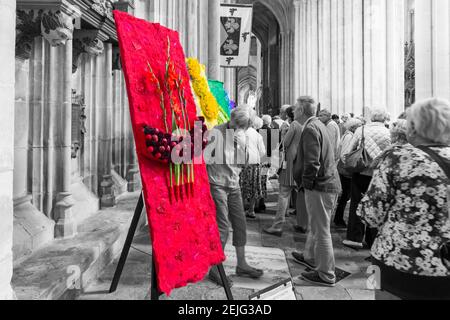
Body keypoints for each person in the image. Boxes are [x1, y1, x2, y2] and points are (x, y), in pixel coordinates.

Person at [358, 98, 450, 300]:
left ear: (414, 128)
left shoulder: (400, 157)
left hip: (394, 260)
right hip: (444, 266)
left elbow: (370, 214)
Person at [206, 107, 264, 286]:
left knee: (240, 224)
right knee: (222, 226)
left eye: (243, 126)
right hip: (217, 183)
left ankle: (242, 264)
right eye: (237, 124)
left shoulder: (244, 134)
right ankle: (215, 268)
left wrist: (242, 145)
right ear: (231, 119)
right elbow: (206, 159)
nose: (239, 128)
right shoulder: (216, 131)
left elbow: (246, 163)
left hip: (233, 184)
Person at [291, 96, 342, 287]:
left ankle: (326, 274)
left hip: (320, 186)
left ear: (302, 111)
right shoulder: (319, 125)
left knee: (322, 231)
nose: (294, 112)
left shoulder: (311, 129)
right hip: (327, 184)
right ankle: (310, 257)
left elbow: (312, 162)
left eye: (296, 108)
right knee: (317, 226)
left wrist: (306, 184)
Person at [342, 109, 391, 250]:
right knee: (375, 205)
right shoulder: (388, 133)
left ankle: (354, 238)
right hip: (377, 174)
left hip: (360, 171)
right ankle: (372, 240)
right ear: (385, 118)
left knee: (356, 204)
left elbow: (348, 151)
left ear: (372, 117)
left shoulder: (361, 129)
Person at [263, 105, 303, 236]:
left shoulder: (294, 125)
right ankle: (302, 223)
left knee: (283, 194)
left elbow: (285, 143)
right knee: (298, 194)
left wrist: (284, 133)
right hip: (298, 161)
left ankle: (277, 225)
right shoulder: (304, 124)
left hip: (290, 162)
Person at [333, 118, 363, 228]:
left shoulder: (348, 135)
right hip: (346, 171)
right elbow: (344, 154)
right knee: (345, 196)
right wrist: (349, 166)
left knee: (345, 195)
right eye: (359, 125)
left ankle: (338, 218)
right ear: (354, 127)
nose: (361, 127)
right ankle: (338, 219)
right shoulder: (349, 136)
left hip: (345, 170)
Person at [240, 116, 267, 219]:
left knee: (242, 185)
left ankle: (241, 209)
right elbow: (262, 152)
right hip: (255, 163)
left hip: (243, 162)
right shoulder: (257, 135)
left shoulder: (241, 132)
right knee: (253, 187)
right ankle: (251, 210)